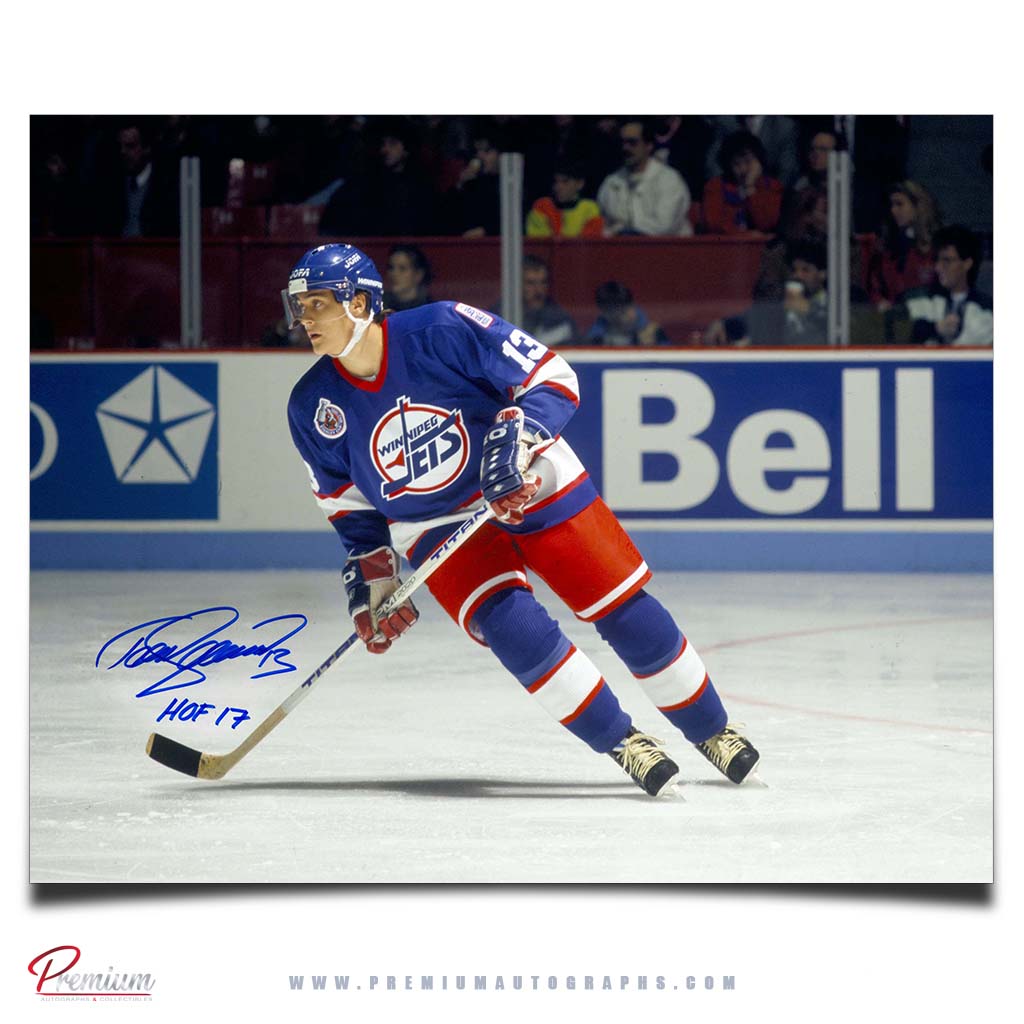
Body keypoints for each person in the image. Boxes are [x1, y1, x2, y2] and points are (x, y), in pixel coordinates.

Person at [282, 243, 760, 796]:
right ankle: (622, 741)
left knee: (616, 604)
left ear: (361, 303)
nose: (304, 319)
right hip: (435, 524)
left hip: (525, 478)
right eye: (300, 307)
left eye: (317, 304)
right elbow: (347, 506)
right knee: (515, 631)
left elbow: (552, 376)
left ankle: (712, 729)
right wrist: (373, 571)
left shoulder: (442, 327)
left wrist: (522, 437)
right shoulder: (310, 406)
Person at [889, 225, 992, 346]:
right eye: (937, 260)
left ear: (967, 264)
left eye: (947, 261)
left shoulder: (987, 308)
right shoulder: (923, 299)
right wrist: (935, 328)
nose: (938, 267)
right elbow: (893, 327)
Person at [596, 119, 693, 236]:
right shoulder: (611, 182)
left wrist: (622, 231)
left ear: (648, 145)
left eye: (632, 143)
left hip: (667, 245)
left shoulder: (669, 180)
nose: (625, 148)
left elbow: (664, 226)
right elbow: (603, 224)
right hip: (621, 246)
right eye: (622, 143)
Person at [866, 181, 941, 311]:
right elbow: (874, 287)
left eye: (899, 204)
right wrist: (880, 302)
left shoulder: (938, 246)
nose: (893, 210)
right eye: (892, 205)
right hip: (891, 316)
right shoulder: (885, 247)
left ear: (917, 206)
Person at [699, 130, 784, 235]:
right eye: (737, 164)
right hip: (727, 243)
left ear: (759, 162)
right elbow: (713, 224)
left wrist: (750, 188)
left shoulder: (772, 186)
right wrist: (744, 235)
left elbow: (767, 224)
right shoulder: (715, 186)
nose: (743, 169)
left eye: (748, 162)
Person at [525, 160, 604, 239]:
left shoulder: (590, 209)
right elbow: (539, 242)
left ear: (580, 183)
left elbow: (588, 243)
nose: (558, 187)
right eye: (555, 181)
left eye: (565, 181)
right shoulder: (541, 206)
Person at [584, 281, 669, 346]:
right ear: (607, 315)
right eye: (623, 313)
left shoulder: (654, 333)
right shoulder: (596, 339)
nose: (632, 315)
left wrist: (652, 348)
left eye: (631, 306)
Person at [384, 244, 433, 312]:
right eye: (391, 267)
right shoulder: (377, 307)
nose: (394, 273)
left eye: (402, 268)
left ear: (418, 274)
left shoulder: (430, 310)